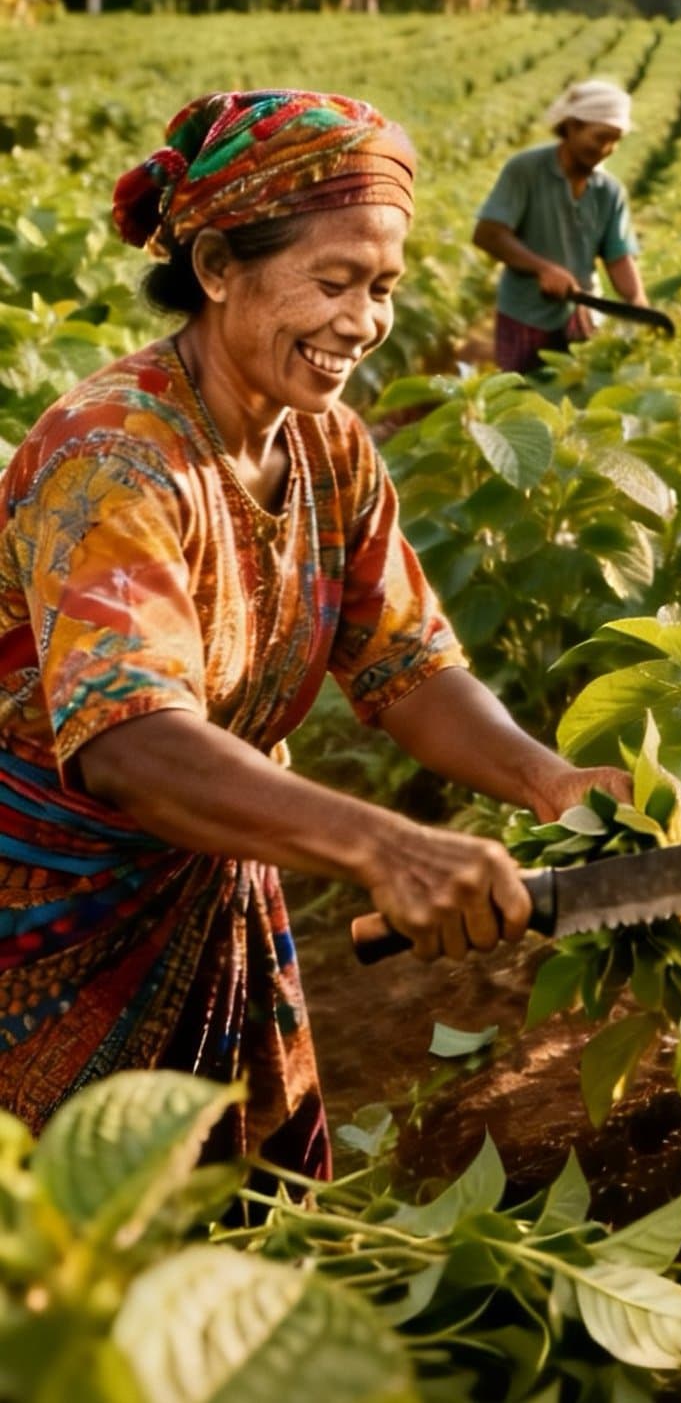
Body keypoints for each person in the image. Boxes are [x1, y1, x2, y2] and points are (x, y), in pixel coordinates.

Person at [0, 90, 629, 1171]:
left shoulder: (325, 443)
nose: (363, 321)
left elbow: (409, 661)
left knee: (232, 1231)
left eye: (382, 287)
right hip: (47, 922)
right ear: (214, 267)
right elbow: (133, 744)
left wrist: (546, 780)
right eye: (332, 281)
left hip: (214, 873)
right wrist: (387, 844)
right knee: (65, 1270)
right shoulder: (116, 456)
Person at [474, 78, 648, 374]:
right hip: (525, 315)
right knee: (520, 403)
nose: (607, 148)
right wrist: (542, 269)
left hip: (582, 315)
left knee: (578, 399)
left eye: (615, 140)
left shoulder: (609, 191)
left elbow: (618, 257)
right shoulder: (526, 170)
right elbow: (489, 234)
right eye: (601, 137)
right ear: (572, 126)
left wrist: (637, 302)